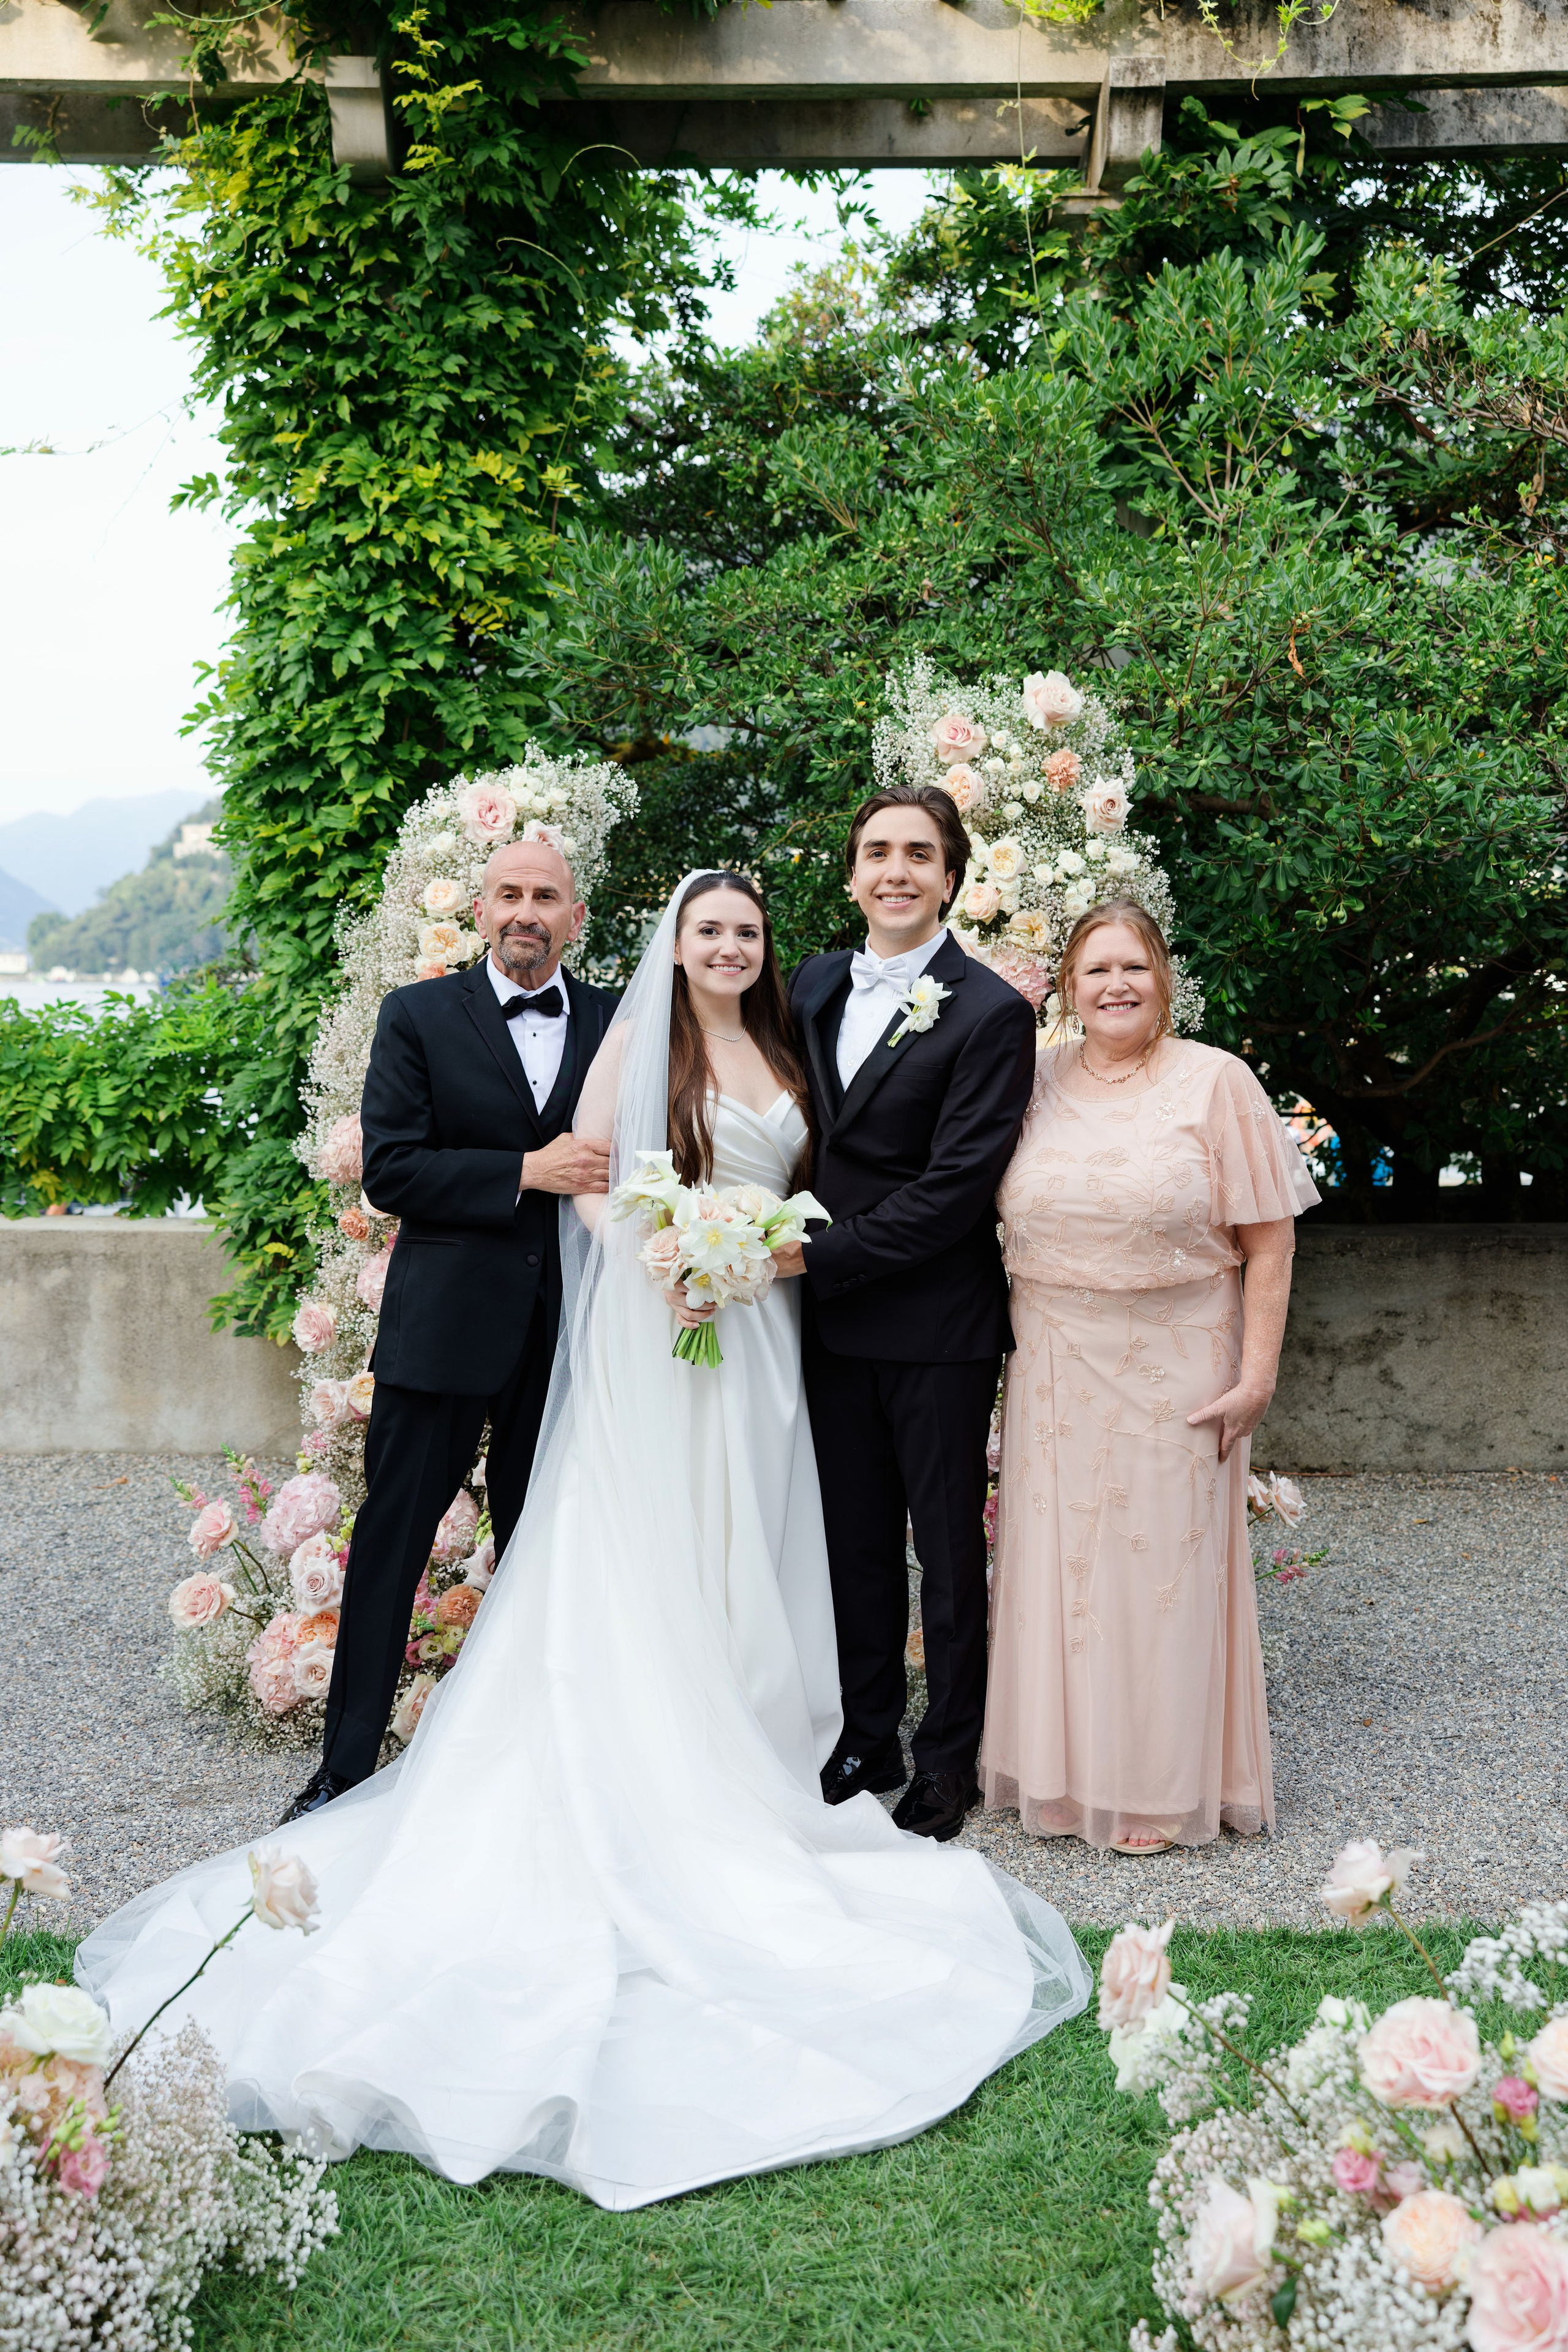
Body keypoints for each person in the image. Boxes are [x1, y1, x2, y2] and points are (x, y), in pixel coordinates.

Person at [77, 869, 1087, 2211]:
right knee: (633, 1548)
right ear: (677, 941)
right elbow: (596, 1187)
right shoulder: (615, 1031)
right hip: (665, 1335)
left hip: (774, 1337)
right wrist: (675, 1249)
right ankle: (539, 1758)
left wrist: (752, 1252)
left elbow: (824, 1170)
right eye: (707, 929)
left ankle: (775, 1730)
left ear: (767, 949)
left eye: (745, 930)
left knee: (765, 1536)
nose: (727, 945)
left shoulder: (796, 1028)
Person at [282, 834, 617, 1821]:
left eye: (546, 896)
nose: (526, 910)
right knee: (393, 1540)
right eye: (508, 893)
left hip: (569, 1336)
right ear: (480, 912)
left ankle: (534, 1769)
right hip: (444, 1328)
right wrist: (526, 1172)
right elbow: (391, 1171)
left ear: (575, 917)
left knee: (544, 1548)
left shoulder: (614, 1020)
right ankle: (344, 1767)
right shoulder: (419, 1014)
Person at [980, 899, 1319, 1856]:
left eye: (1134, 967)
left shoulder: (1217, 1082)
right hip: (1053, 1363)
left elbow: (1271, 1238)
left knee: (1162, 1569)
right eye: (1096, 971)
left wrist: (1257, 1377)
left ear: (1164, 979)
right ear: (1068, 987)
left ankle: (1162, 1789)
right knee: (1065, 1570)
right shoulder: (1031, 1079)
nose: (1116, 985)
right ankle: (1061, 1775)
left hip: (1180, 1361)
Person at [786, 786, 1038, 1844]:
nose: (896, 870)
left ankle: (949, 1760)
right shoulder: (804, 986)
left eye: (919, 855)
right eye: (878, 852)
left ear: (951, 879)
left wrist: (816, 1255)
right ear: (852, 873)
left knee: (945, 1549)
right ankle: (868, 1734)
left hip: (935, 1322)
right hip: (826, 1323)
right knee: (852, 1543)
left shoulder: (988, 1011)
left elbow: (956, 1187)